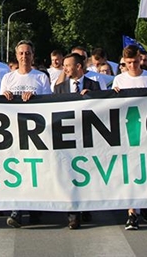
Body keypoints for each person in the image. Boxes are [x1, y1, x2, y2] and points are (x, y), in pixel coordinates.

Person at [0, 40, 51, 228]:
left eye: (27, 53)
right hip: (13, 133)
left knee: (35, 171)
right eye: (21, 53)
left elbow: (49, 103)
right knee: (17, 172)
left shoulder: (41, 77)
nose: (24, 57)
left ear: (32, 55)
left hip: (36, 132)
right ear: (16, 55)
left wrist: (34, 98)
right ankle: (17, 210)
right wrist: (5, 97)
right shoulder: (8, 78)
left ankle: (36, 208)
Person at [112, 45, 147, 230]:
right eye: (128, 63)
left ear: (140, 59)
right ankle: (132, 212)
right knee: (132, 170)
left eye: (135, 62)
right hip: (129, 129)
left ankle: (145, 205)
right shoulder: (119, 79)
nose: (132, 66)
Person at [53, 52, 103, 229]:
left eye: (67, 65)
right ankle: (73, 214)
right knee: (70, 174)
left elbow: (104, 108)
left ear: (79, 67)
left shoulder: (94, 86)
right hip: (67, 137)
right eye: (64, 66)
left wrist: (92, 97)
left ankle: (87, 206)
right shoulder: (59, 88)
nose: (64, 69)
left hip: (88, 137)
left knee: (87, 172)